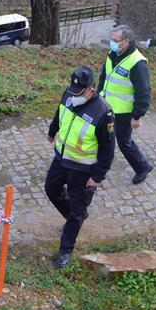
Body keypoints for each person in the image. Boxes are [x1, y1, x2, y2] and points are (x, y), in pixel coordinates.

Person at [44, 67, 116, 268]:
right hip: (62, 159)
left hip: (83, 170)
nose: (74, 95)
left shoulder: (104, 112)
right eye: (73, 91)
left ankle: (65, 250)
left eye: (79, 92)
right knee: (51, 188)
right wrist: (52, 132)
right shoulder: (70, 94)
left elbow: (108, 149)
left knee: (77, 210)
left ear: (91, 90)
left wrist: (98, 177)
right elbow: (59, 113)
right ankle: (74, 219)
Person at [97, 25, 153, 184]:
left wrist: (137, 116)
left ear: (127, 41)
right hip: (107, 107)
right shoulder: (113, 54)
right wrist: (98, 97)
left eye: (116, 40)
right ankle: (98, 167)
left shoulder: (137, 63)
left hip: (124, 113)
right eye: (112, 39)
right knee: (103, 137)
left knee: (124, 143)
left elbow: (143, 92)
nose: (112, 43)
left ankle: (142, 167)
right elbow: (104, 77)